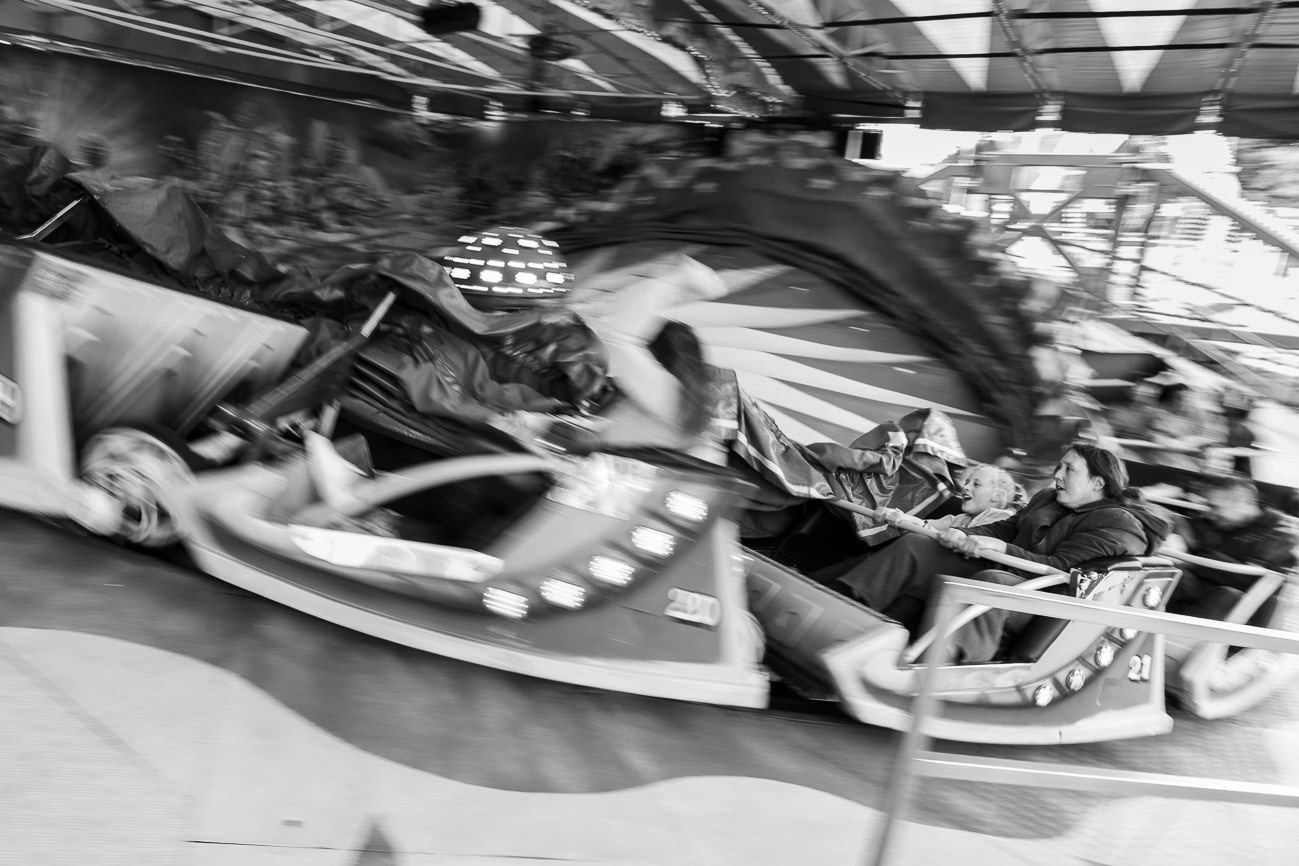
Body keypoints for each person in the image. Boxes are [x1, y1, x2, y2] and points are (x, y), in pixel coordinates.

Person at [836, 443, 1171, 662]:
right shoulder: (1047, 498)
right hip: (1015, 575)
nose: (1057, 475)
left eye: (1069, 470)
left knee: (991, 582)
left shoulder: (1119, 524)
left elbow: (1061, 569)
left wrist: (1001, 548)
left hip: (1047, 601)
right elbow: (1004, 529)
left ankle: (937, 669)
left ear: (1098, 483)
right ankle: (843, 614)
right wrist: (963, 534)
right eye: (1059, 466)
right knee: (920, 546)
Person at [1166, 475, 1297, 623]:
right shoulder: (1222, 523)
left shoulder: (1280, 532)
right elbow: (1193, 533)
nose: (1210, 513)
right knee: (1162, 567)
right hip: (1202, 588)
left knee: (1171, 574)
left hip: (1234, 605)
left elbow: (1251, 579)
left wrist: (1191, 561)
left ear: (1240, 501)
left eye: (1215, 507)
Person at [875, 463, 1023, 533]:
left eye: (976, 484)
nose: (965, 487)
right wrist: (901, 517)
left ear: (997, 496)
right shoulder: (961, 519)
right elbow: (927, 525)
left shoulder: (1002, 519)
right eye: (966, 482)